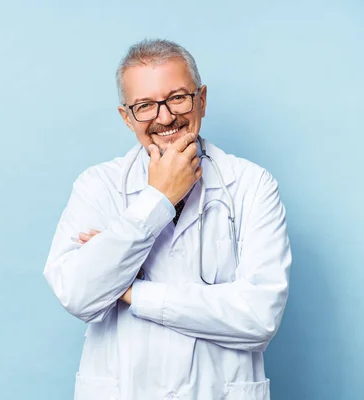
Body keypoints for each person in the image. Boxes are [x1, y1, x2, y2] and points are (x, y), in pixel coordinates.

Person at [43, 39, 291, 400]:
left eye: (177, 97)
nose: (164, 117)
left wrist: (131, 291)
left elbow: (259, 317)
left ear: (201, 100)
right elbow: (80, 295)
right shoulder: (97, 186)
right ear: (127, 117)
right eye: (144, 105)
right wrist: (159, 199)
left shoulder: (253, 185)